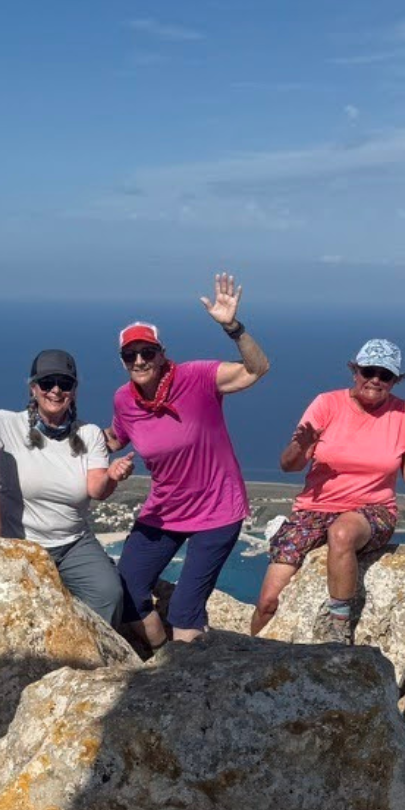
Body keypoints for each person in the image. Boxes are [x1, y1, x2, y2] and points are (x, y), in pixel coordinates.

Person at [251, 338, 405, 642]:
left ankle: (339, 627)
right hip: (313, 509)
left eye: (384, 375)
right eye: (368, 371)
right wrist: (302, 445)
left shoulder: (404, 413)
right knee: (269, 601)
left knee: (342, 534)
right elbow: (289, 465)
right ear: (354, 371)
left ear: (395, 381)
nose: (375, 379)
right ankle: (252, 652)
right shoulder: (326, 404)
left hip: (373, 510)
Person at [108, 273, 270, 652]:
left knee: (184, 610)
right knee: (127, 588)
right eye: (131, 355)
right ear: (123, 361)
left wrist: (233, 327)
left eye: (147, 352)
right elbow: (114, 439)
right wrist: (57, 428)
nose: (140, 360)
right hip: (166, 509)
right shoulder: (124, 400)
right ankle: (160, 661)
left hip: (218, 509)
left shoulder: (196, 378)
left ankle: (191, 688)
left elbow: (257, 369)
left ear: (162, 353)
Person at [0, 349, 134, 624]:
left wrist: (112, 476)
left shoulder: (89, 434)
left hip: (73, 543)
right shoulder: (6, 424)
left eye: (64, 384)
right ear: (34, 389)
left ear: (74, 391)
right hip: (23, 542)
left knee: (109, 594)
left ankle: (97, 660)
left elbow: (96, 490)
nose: (56, 390)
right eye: (47, 383)